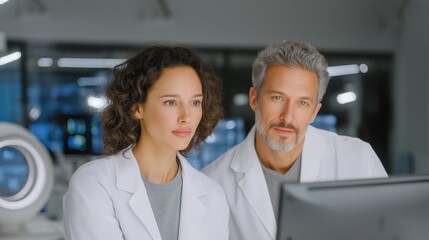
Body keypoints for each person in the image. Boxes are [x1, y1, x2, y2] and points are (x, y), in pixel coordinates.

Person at [202, 40, 388, 240]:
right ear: (254, 99)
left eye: (302, 103)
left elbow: (393, 232)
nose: (287, 116)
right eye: (277, 98)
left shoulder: (359, 159)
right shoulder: (213, 182)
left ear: (314, 112)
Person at [63, 45, 229, 240]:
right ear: (136, 107)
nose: (187, 117)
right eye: (171, 102)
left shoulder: (213, 196)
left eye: (195, 102)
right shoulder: (93, 183)